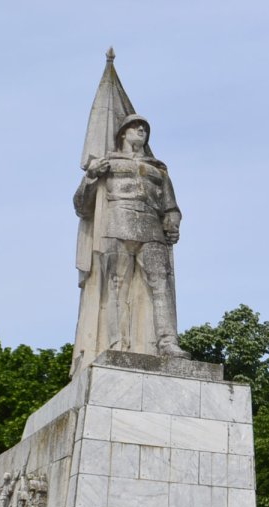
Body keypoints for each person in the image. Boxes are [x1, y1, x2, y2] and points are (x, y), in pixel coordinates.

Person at [72, 112, 187, 370]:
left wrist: (173, 220)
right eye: (135, 127)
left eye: (144, 128)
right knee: (116, 286)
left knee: (161, 286)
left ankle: (168, 342)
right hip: (117, 224)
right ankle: (117, 344)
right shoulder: (107, 163)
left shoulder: (158, 169)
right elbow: (82, 206)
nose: (141, 131)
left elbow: (171, 206)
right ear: (123, 133)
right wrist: (91, 177)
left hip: (151, 228)